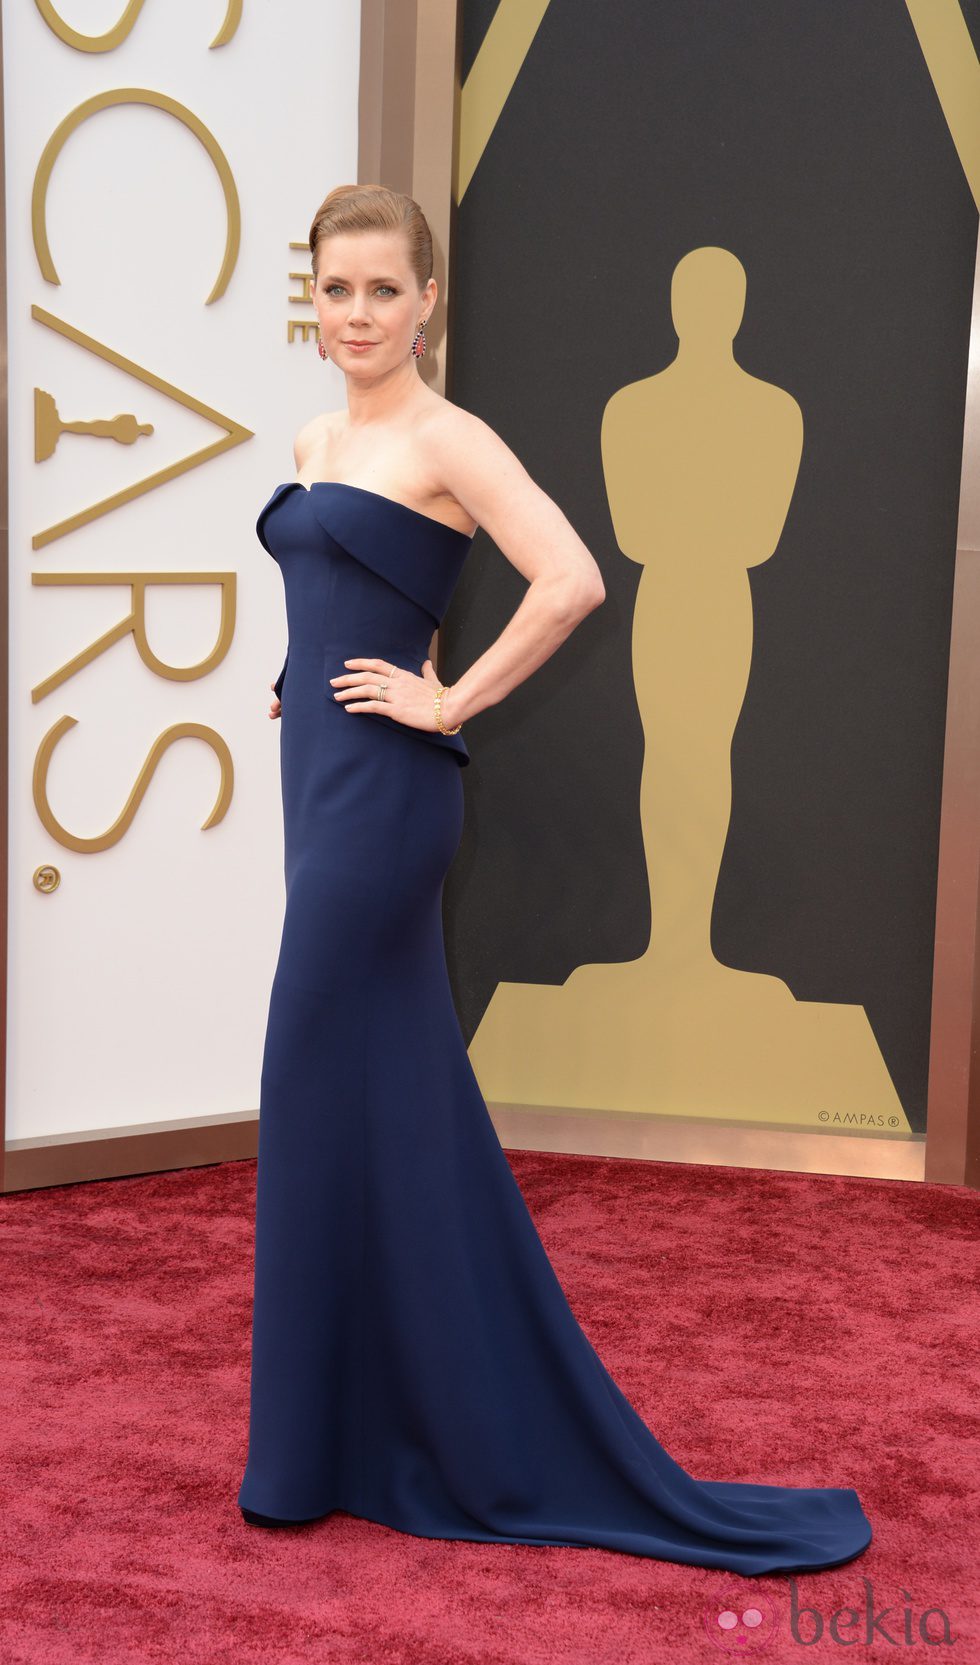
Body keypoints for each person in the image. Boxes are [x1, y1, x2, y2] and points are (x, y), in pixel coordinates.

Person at [236, 183, 873, 1576]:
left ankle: (314, 1445)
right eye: (334, 290)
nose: (355, 315)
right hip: (322, 786)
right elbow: (335, 584)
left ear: (427, 302)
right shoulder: (315, 432)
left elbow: (574, 578)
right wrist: (305, 674)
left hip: (387, 806)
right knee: (382, 1095)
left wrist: (447, 699)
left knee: (308, 1069)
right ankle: (357, 1421)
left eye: (380, 292)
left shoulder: (449, 435)